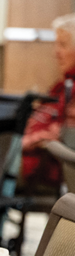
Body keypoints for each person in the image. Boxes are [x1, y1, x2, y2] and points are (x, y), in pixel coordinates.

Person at [22, 12, 75, 187]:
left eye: (63, 45)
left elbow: (64, 135)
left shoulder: (71, 91)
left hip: (42, 166)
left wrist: (21, 142)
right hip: (26, 157)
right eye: (56, 44)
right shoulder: (61, 87)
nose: (56, 53)